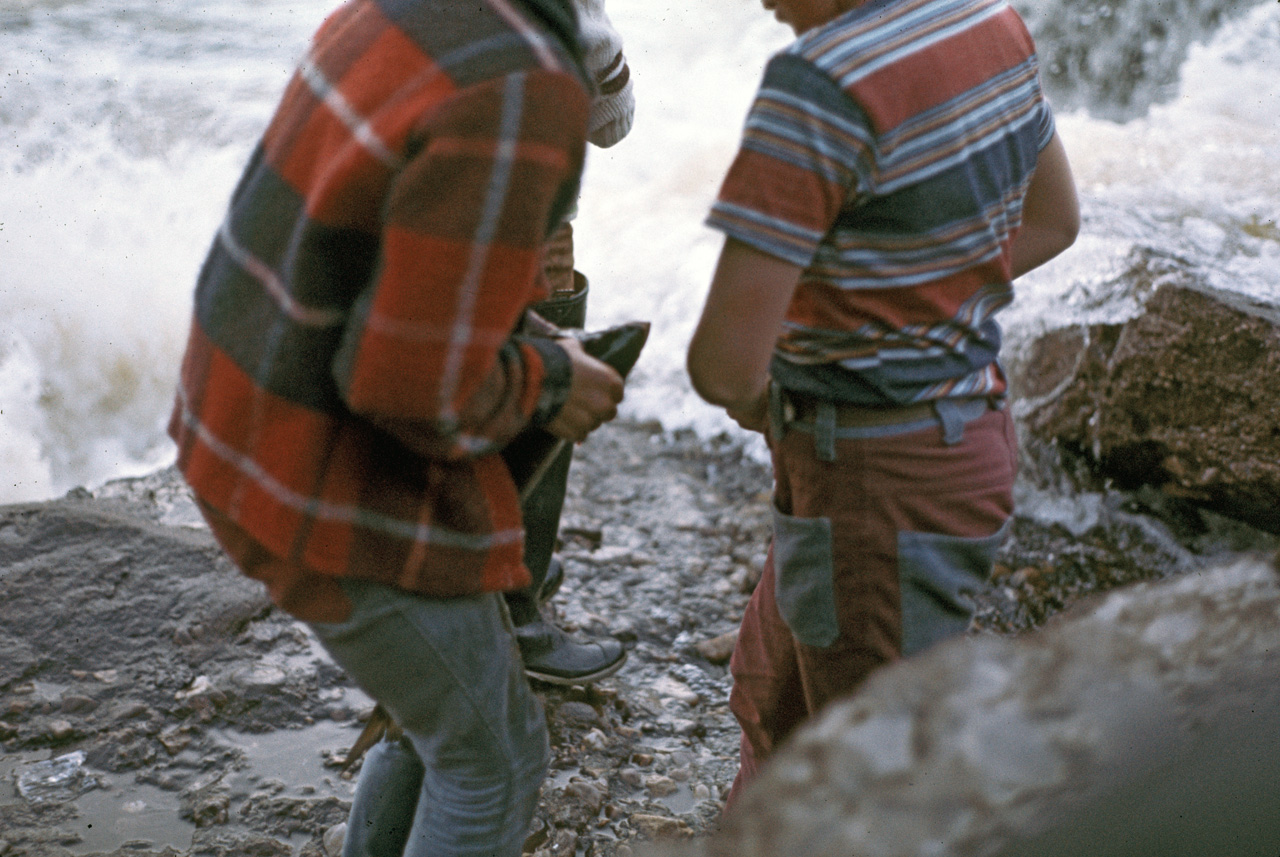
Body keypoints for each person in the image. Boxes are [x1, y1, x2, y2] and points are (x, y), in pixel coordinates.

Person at [168, 0, 624, 854]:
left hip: (231, 420)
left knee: (437, 711)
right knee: (495, 758)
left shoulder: (384, 13)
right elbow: (407, 383)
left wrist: (523, 345)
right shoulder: (523, 86)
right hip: (312, 472)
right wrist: (553, 377)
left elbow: (369, 267)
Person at [686, 0, 1080, 808]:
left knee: (878, 786)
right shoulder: (987, 20)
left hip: (870, 478)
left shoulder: (819, 85)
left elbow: (725, 367)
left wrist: (784, 388)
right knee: (774, 698)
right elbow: (1053, 220)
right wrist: (910, 306)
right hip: (954, 439)